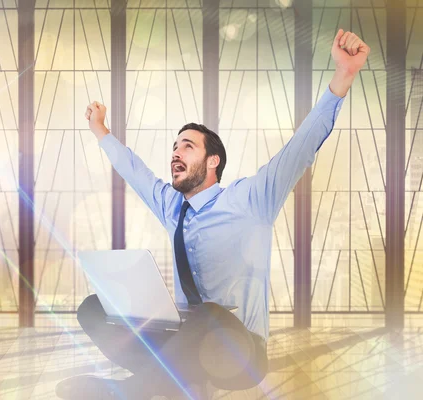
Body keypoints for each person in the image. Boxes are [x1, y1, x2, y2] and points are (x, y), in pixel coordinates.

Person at [56, 29, 370, 399]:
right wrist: (100, 131)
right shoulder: (173, 208)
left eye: (187, 147)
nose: (175, 153)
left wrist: (344, 76)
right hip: (186, 340)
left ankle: (130, 391)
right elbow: (134, 170)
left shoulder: (250, 200)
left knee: (208, 314)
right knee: (95, 308)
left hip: (240, 354)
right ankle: (164, 377)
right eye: (174, 147)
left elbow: (300, 148)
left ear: (213, 161)